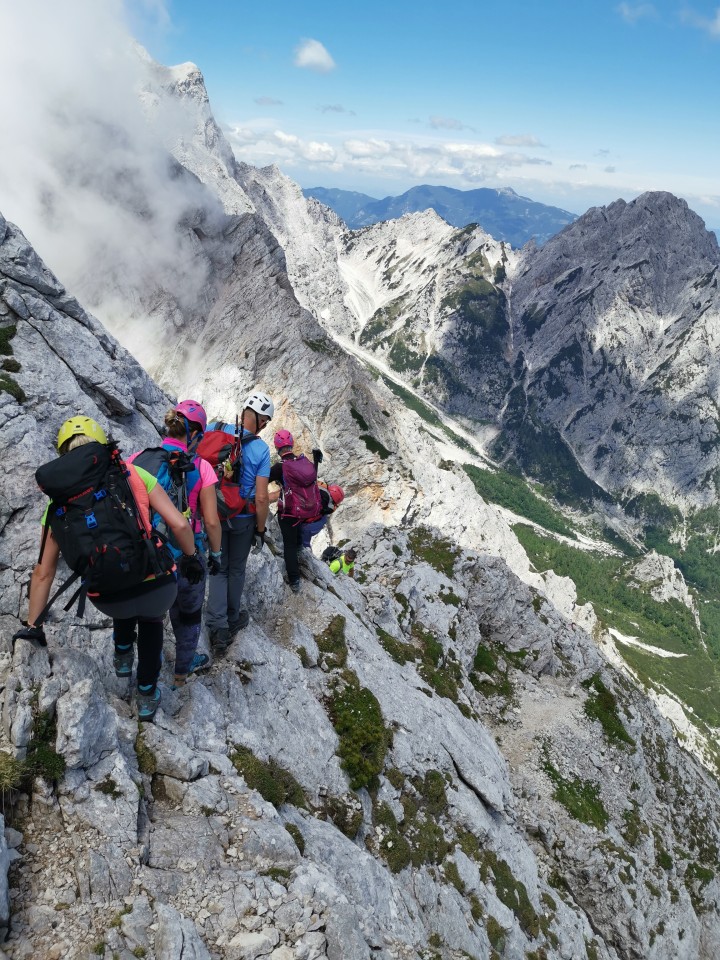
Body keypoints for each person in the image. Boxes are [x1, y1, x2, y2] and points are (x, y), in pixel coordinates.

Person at [13, 416, 197, 721]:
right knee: (151, 619)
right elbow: (179, 523)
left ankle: (123, 649)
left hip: (107, 597)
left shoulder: (57, 505)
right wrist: (190, 557)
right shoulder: (133, 474)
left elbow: (43, 572)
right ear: (101, 444)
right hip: (156, 586)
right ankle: (147, 695)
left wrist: (35, 626)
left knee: (120, 583)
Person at [129, 401, 222, 687]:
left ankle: (148, 675)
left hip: (149, 553)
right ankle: (182, 669)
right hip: (188, 553)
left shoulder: (139, 458)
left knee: (151, 618)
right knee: (189, 615)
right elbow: (211, 521)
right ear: (195, 435)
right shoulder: (202, 467)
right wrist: (215, 554)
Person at [205, 391, 272, 654]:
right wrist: (260, 530)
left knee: (218, 568)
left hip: (216, 514)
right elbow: (263, 497)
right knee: (236, 570)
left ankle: (217, 627)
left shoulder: (216, 429)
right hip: (243, 518)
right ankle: (232, 618)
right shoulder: (261, 450)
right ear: (263, 421)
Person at [268, 431, 323, 593]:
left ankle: (295, 581)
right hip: (304, 510)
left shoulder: (280, 467)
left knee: (289, 546)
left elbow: (263, 479)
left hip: (288, 513)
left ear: (277, 447)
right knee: (296, 541)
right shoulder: (303, 462)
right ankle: (301, 548)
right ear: (291, 444)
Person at [301, 483, 344, 549]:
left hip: (298, 505)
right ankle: (304, 546)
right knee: (321, 521)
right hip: (302, 520)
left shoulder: (319, 487)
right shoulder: (327, 506)